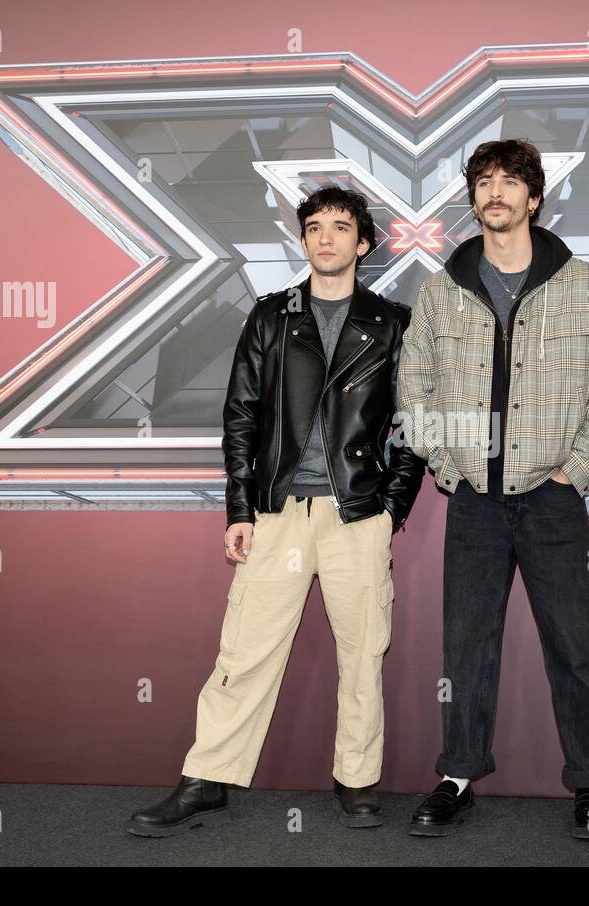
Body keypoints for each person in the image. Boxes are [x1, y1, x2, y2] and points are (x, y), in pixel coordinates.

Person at [127, 186, 423, 836]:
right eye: (314, 227)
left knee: (362, 651)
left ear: (363, 242)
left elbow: (414, 422)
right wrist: (239, 507)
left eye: (340, 227)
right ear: (303, 240)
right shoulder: (270, 316)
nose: (325, 238)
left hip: (358, 513)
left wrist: (391, 507)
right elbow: (240, 416)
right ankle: (207, 777)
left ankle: (356, 779)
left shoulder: (393, 322)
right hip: (278, 512)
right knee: (245, 650)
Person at [397, 138, 589, 839]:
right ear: (473, 201)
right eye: (484, 183)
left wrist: (575, 471)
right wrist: (449, 466)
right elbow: (415, 389)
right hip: (475, 500)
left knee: (575, 648)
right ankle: (458, 777)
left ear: (534, 198)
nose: (495, 193)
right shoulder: (441, 292)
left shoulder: (585, 285)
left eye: (510, 182)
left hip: (553, 500)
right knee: (466, 647)